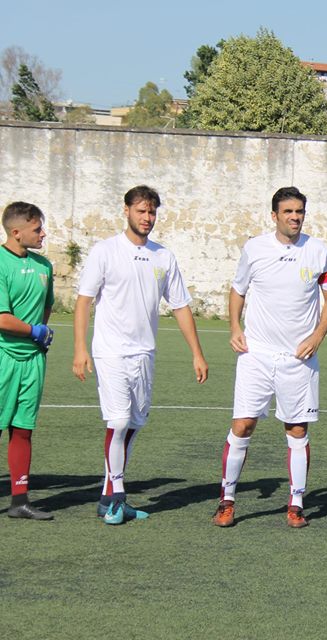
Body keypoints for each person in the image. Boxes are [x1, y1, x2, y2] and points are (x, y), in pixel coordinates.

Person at [73, 185, 209, 525]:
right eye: (141, 211)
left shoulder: (163, 257)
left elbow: (180, 306)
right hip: (110, 351)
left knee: (133, 424)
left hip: (144, 353)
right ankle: (118, 496)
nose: (147, 218)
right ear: (126, 211)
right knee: (118, 421)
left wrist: (197, 353)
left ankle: (108, 497)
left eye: (152, 212)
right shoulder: (105, 251)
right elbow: (84, 300)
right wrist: (80, 348)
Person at [213, 186, 327, 529]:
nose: (295, 217)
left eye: (299, 211)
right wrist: (234, 327)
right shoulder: (254, 248)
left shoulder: (318, 250)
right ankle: (227, 501)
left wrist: (317, 336)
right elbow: (238, 290)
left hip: (298, 358)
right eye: (288, 212)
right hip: (256, 354)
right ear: (274, 216)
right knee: (243, 425)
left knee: (296, 430)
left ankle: (296, 504)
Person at [0, 202, 55, 520]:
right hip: (4, 357)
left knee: (23, 429)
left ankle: (19, 501)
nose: (43, 233)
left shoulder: (44, 266)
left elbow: (46, 307)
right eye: (37, 229)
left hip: (33, 360)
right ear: (16, 232)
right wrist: (34, 330)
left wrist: (40, 333)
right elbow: (2, 318)